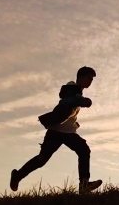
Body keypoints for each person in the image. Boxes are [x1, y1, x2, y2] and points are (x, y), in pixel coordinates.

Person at [10, 66, 102, 194]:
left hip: (64, 131)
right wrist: (84, 101)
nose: (90, 81)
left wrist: (75, 122)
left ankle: (18, 176)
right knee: (78, 151)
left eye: (92, 79)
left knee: (79, 151)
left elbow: (68, 109)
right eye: (88, 78)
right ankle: (84, 184)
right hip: (59, 132)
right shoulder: (72, 87)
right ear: (80, 77)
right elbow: (66, 99)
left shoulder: (77, 91)